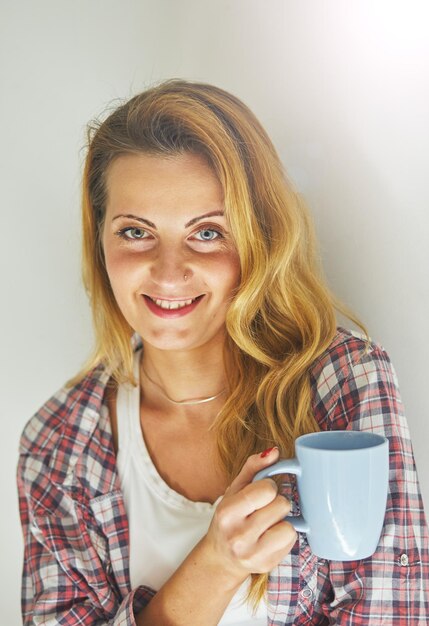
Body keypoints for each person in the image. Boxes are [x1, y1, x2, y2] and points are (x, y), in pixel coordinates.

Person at [17, 78, 429, 626]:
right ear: (100, 241)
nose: (168, 273)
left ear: (257, 238)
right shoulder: (57, 445)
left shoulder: (345, 381)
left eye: (207, 233)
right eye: (136, 231)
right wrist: (216, 564)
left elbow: (391, 614)